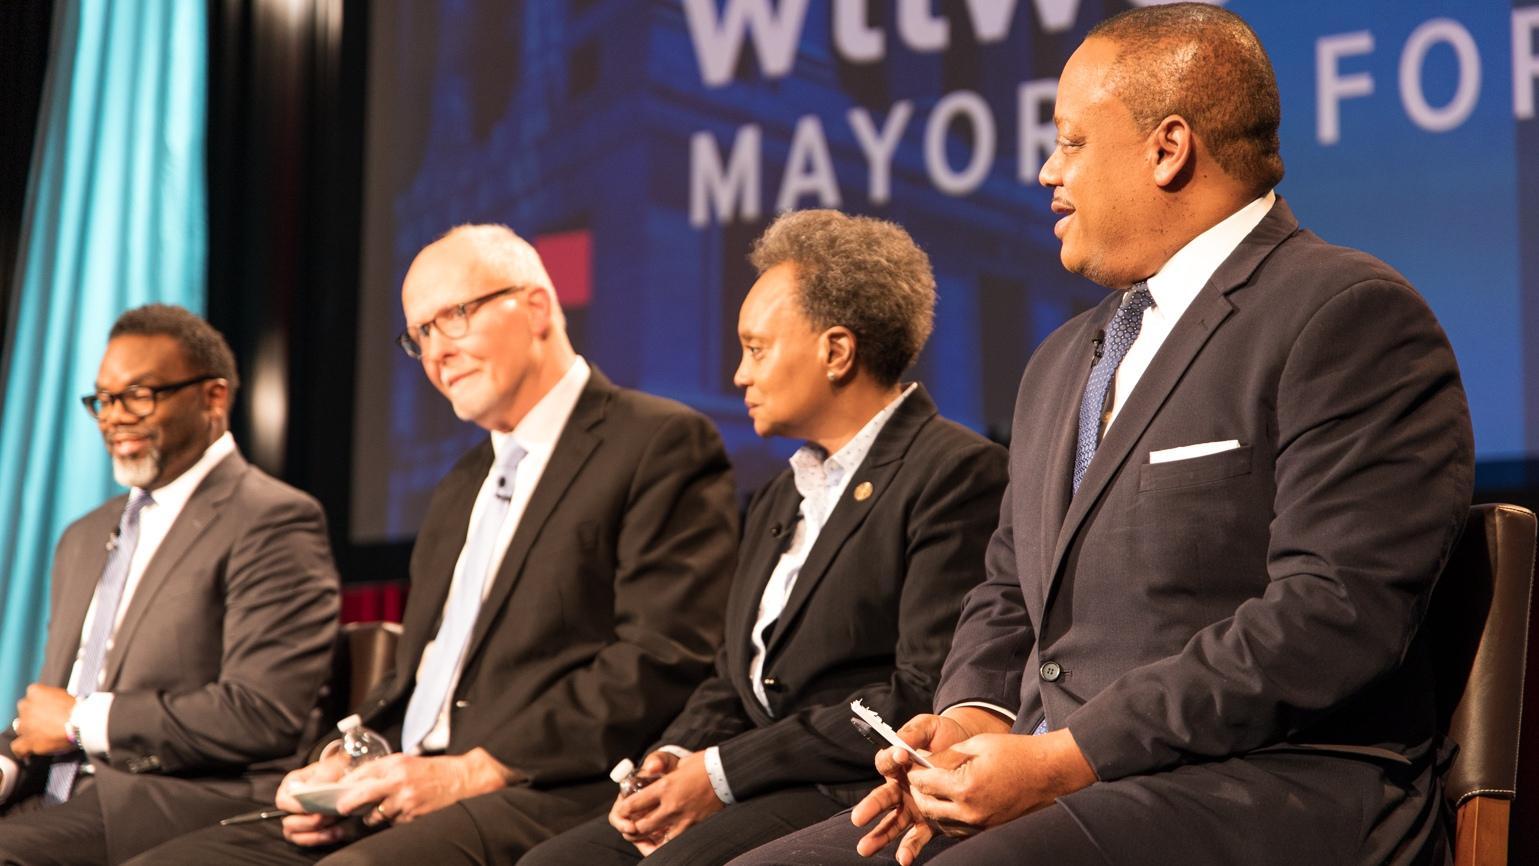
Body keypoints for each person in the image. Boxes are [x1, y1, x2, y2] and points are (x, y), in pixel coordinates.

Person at [733, 5, 1474, 865]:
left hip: (1265, 784)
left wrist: (1063, 759)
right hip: (1069, 783)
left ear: (1167, 148)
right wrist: (974, 720)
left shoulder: (1345, 315)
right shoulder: (1060, 358)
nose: (1049, 171)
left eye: (1072, 142)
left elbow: (1331, 614)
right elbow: (1008, 585)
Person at [131, 224, 739, 865]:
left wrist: (473, 770)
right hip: (405, 789)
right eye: (419, 334)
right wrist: (347, 760)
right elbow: (416, 677)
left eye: (453, 316)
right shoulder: (459, 484)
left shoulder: (658, 442)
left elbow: (663, 657)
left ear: (535, 308)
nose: (434, 354)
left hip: (547, 788)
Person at [519, 210, 1008, 866]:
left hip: (846, 785)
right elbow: (735, 675)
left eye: (755, 348)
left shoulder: (954, 473)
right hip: (756, 778)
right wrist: (674, 759)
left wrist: (721, 773)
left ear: (835, 351)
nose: (738, 376)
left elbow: (917, 694)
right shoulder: (780, 492)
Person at [0, 305, 341, 864]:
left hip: (169, 801)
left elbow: (261, 713)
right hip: (50, 793)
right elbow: (51, 710)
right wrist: (10, 761)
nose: (114, 417)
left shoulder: (273, 520)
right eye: (104, 400)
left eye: (138, 395)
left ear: (213, 398)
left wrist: (80, 721)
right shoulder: (83, 537)